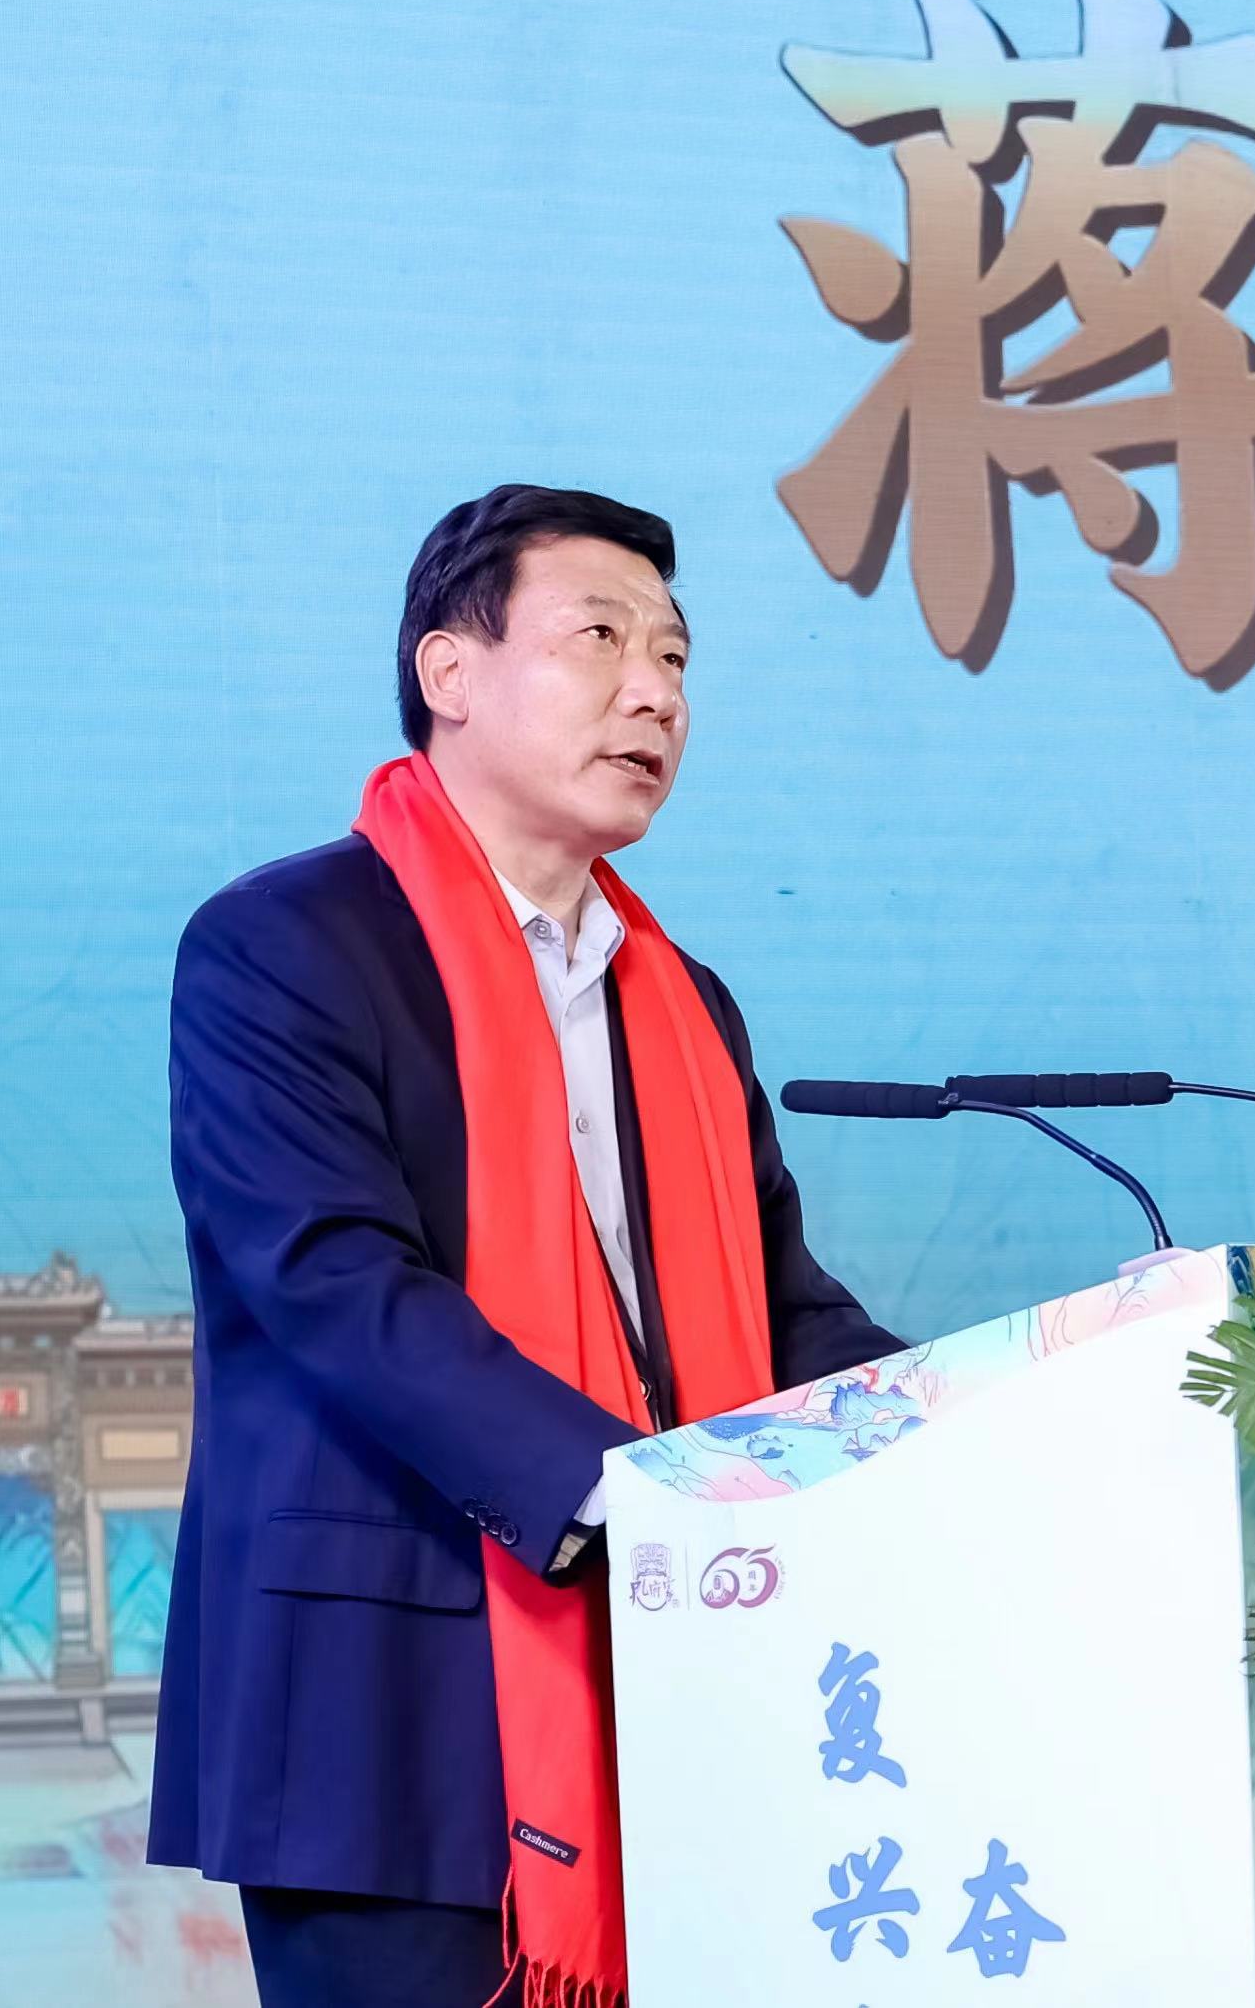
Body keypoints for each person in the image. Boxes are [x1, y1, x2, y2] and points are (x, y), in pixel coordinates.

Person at [149, 485, 901, 2007]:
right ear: (450, 670)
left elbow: (786, 1315)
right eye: (600, 639)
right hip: (385, 1722)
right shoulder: (285, 946)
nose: (655, 693)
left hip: (683, 1702)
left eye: (675, 658)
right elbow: (338, 1288)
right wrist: (647, 1504)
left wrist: (985, 1421)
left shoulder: (681, 1000)